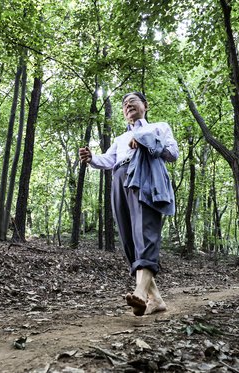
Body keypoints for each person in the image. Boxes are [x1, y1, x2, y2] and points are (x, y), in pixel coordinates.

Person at [79, 92, 179, 316]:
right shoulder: (119, 138)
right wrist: (91, 158)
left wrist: (145, 140)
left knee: (145, 233)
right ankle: (157, 300)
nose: (127, 105)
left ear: (145, 105)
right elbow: (108, 160)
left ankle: (141, 294)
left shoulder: (159, 127)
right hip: (119, 180)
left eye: (132, 101)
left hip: (146, 178)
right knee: (129, 241)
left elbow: (172, 154)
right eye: (124, 104)